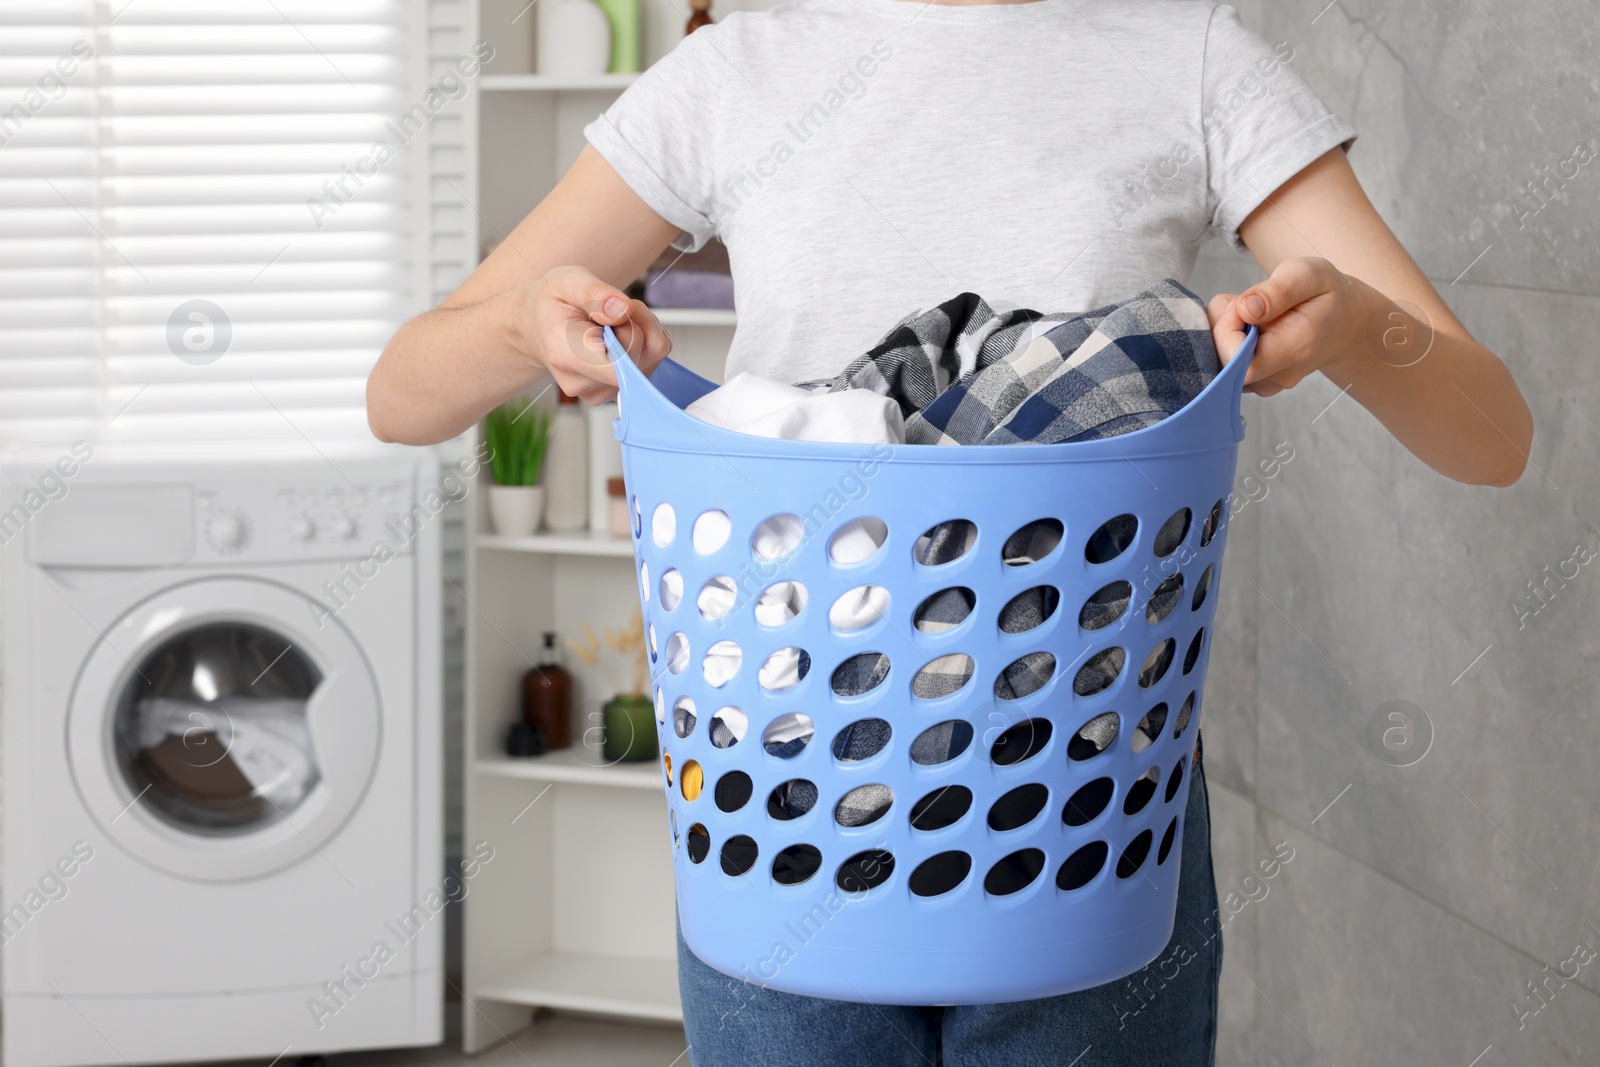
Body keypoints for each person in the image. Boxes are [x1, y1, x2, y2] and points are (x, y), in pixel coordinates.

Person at [368, 1, 1532, 1062]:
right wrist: (529, 324)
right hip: (790, 794)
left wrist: (1351, 327)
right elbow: (404, 393)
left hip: (1086, 792)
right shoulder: (737, 72)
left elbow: (1493, 437)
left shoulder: (1190, 61)